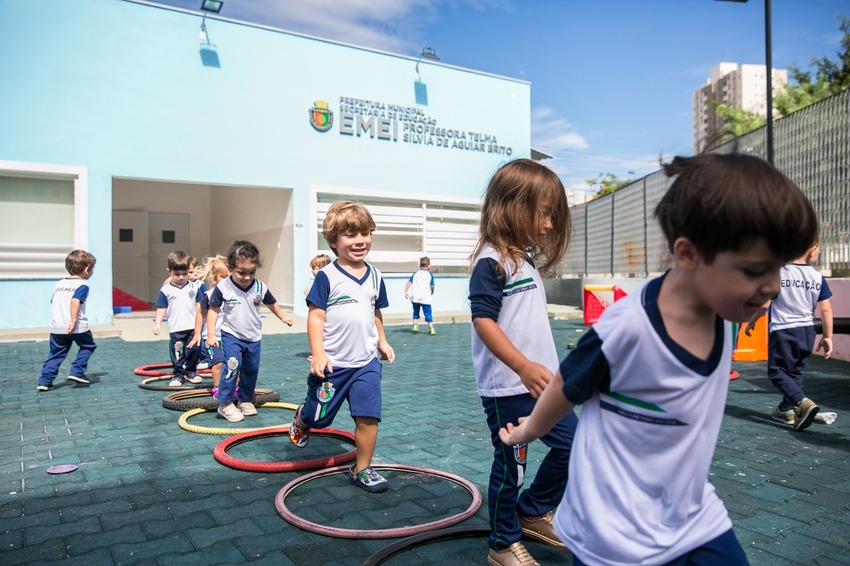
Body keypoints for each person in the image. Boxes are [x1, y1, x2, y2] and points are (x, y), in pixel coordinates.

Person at [498, 153, 818, 566]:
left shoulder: (726, 311)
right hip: (614, 530)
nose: (773, 287)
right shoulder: (628, 329)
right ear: (688, 254)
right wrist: (528, 432)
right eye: (756, 270)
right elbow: (566, 384)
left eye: (777, 268)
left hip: (691, 514)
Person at [468, 159, 578, 566]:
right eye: (544, 211)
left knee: (575, 445)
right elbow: (483, 321)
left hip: (543, 385)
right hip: (509, 387)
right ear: (513, 205)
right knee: (511, 462)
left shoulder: (522, 259)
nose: (549, 224)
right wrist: (522, 366)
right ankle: (502, 543)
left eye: (553, 214)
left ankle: (532, 510)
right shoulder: (492, 261)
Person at [289, 201, 396, 493]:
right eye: (350, 235)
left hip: (366, 362)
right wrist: (319, 352)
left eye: (365, 233)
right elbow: (316, 316)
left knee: (369, 416)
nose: (360, 241)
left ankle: (362, 468)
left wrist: (383, 341)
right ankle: (302, 417)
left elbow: (375, 311)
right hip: (333, 364)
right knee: (319, 420)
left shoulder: (375, 275)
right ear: (334, 241)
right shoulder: (327, 277)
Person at [745, 238, 833, 431]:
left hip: (784, 331)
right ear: (811, 249)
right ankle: (785, 409)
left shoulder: (779, 274)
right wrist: (827, 337)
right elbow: (825, 309)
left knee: (776, 372)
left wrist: (751, 322)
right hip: (807, 331)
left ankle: (803, 402)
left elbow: (765, 304)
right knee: (795, 372)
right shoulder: (817, 277)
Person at [207, 240, 293, 422]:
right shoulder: (223, 288)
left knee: (251, 370)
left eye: (251, 272)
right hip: (232, 335)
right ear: (231, 268)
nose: (246, 277)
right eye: (241, 272)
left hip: (253, 337)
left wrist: (283, 316)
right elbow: (213, 310)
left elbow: (272, 302)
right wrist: (212, 334)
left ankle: (245, 399)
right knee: (232, 366)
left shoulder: (260, 287)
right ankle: (225, 403)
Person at [37, 250, 98, 391]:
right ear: (87, 269)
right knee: (88, 346)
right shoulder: (83, 285)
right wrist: (73, 321)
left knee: (56, 353)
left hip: (57, 327)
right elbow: (75, 301)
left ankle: (44, 382)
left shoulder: (58, 284)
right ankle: (77, 372)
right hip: (77, 326)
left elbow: (54, 302)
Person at [154, 251, 203, 387]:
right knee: (178, 351)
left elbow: (200, 304)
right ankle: (178, 374)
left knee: (194, 350)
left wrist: (202, 318)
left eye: (185, 274)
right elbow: (161, 307)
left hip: (193, 327)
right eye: (177, 274)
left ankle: (191, 371)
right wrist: (158, 324)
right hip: (177, 328)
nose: (181, 277)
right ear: (169, 272)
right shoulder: (166, 290)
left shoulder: (194, 287)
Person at [188, 254, 230, 399]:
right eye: (223, 277)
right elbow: (200, 314)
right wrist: (197, 333)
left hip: (230, 337)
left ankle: (234, 388)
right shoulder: (209, 294)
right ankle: (217, 388)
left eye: (229, 276)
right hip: (212, 338)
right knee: (218, 363)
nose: (227, 280)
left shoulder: (234, 294)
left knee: (234, 364)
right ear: (214, 279)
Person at [404, 256, 436, 335]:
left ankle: (415, 325)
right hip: (426, 297)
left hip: (415, 297)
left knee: (415, 312)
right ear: (429, 265)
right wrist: (432, 291)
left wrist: (405, 290)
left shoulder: (416, 274)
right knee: (428, 313)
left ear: (420, 265)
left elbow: (409, 282)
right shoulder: (429, 275)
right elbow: (432, 285)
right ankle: (431, 328)